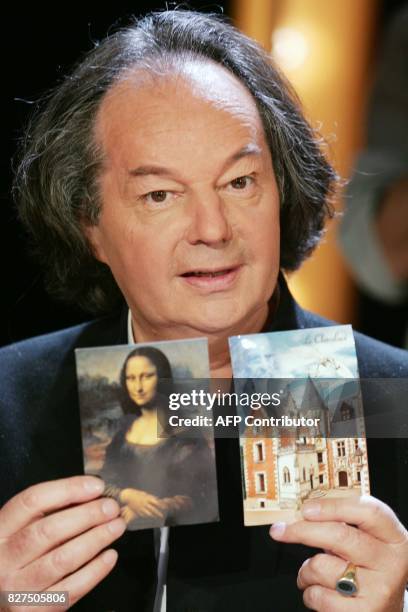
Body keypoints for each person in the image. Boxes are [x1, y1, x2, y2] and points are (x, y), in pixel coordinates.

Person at [0, 9, 407, 612]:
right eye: (160, 195)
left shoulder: (396, 393)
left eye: (240, 182)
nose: (212, 229)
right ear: (90, 226)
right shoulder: (9, 400)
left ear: (282, 190)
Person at [100, 346, 218, 529]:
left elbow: (205, 493)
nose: (138, 387)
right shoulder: (123, 432)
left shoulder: (186, 434)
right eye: (131, 378)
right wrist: (128, 495)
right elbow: (105, 482)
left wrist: (158, 507)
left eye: (147, 376)